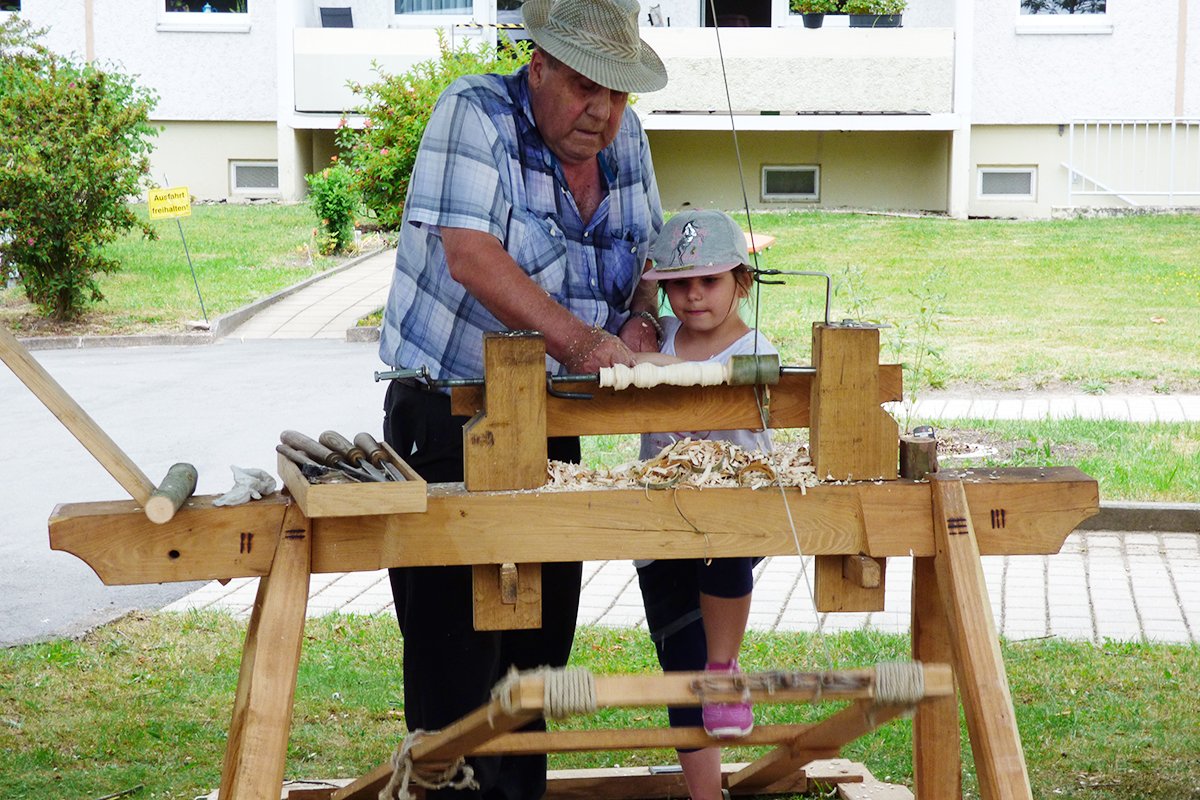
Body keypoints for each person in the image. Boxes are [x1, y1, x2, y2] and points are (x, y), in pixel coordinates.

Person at [375, 1, 667, 798]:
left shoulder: (625, 141)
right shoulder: (473, 114)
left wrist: (641, 318)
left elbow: (648, 259)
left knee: (534, 670)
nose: (602, 112)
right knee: (453, 677)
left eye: (617, 94)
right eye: (583, 86)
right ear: (537, 64)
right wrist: (581, 341)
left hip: (548, 425)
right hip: (447, 417)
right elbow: (470, 255)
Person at [634, 209, 777, 800]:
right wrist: (640, 326)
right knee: (679, 663)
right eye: (679, 283)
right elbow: (630, 335)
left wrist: (665, 366)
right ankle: (705, 794)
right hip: (659, 518)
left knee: (720, 578)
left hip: (728, 517)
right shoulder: (655, 336)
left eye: (710, 281)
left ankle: (725, 667)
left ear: (741, 281)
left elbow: (741, 382)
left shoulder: (755, 348)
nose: (693, 296)